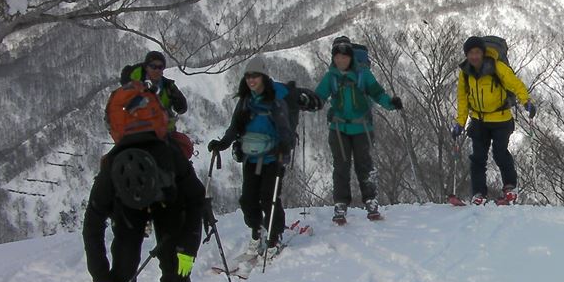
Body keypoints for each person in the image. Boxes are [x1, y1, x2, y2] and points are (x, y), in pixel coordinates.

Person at [82, 131, 205, 282]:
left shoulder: (171, 159)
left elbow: (196, 200)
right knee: (123, 266)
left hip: (167, 201)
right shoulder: (108, 177)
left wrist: (188, 248)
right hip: (127, 208)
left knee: (174, 260)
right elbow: (91, 231)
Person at [207, 59, 298, 255]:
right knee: (248, 200)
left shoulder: (275, 102)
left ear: (263, 77)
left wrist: (285, 145)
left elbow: (285, 129)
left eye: (255, 76)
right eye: (248, 76)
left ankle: (274, 236)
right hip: (251, 158)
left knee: (268, 198)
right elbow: (234, 128)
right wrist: (222, 144)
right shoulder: (245, 102)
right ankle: (257, 231)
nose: (251, 80)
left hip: (273, 158)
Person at [312, 36, 402, 223]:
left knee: (364, 165)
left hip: (361, 128)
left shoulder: (363, 74)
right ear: (333, 58)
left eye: (344, 56)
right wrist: (307, 101)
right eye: (337, 56)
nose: (340, 60)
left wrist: (391, 104)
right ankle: (342, 203)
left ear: (351, 57)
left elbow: (377, 93)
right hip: (339, 129)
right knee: (341, 167)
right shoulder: (331, 77)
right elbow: (319, 97)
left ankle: (370, 200)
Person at [453, 35, 535, 205]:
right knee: (478, 158)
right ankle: (478, 194)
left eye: (477, 52)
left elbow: (515, 84)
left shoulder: (497, 66)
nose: (474, 56)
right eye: (471, 53)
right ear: (466, 55)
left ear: (483, 53)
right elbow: (462, 99)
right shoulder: (465, 73)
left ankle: (510, 188)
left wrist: (526, 101)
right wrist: (460, 123)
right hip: (478, 120)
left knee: (500, 153)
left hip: (501, 119)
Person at [121, 50, 188, 130]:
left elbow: (182, 109)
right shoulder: (133, 83)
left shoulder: (168, 86)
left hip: (163, 130)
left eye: (160, 67)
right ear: (146, 67)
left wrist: (177, 99)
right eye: (153, 66)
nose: (157, 70)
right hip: (137, 129)